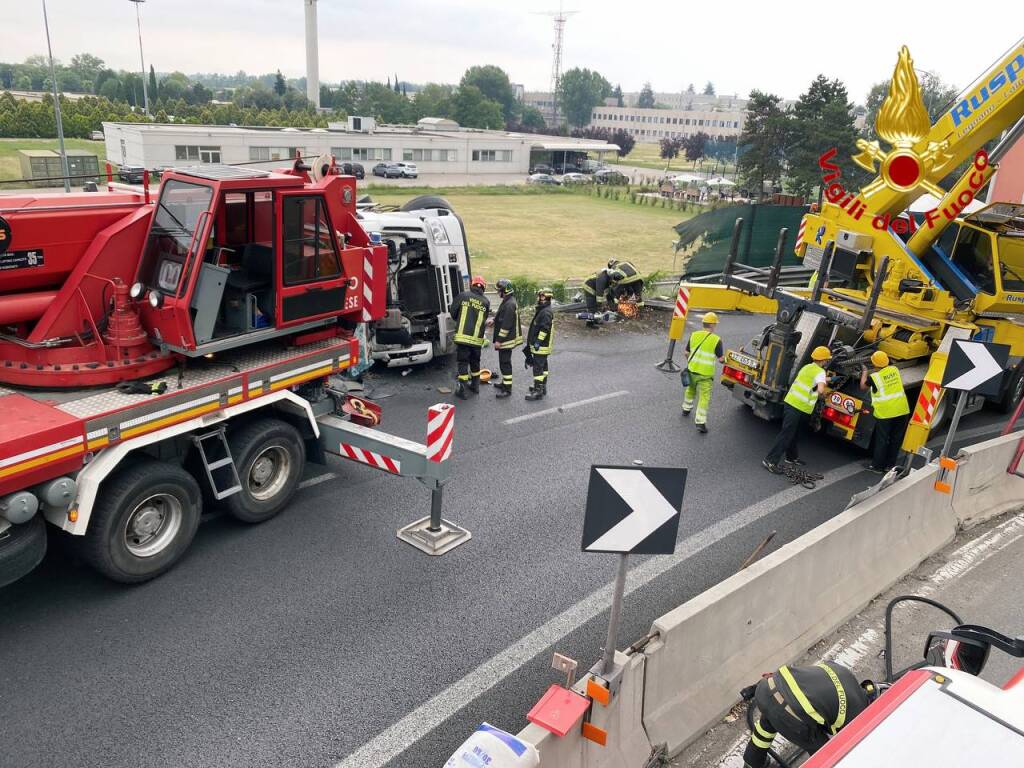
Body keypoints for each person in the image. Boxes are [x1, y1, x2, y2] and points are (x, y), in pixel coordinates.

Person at [742, 662, 875, 767]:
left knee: (766, 727)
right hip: (786, 711)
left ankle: (752, 762)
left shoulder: (844, 672)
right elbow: (849, 749)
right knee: (826, 756)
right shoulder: (859, 715)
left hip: (766, 687)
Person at [763, 346, 832, 472]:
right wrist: (822, 391)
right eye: (827, 360)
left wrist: (828, 379)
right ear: (824, 360)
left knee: (795, 433)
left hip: (793, 403)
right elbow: (821, 388)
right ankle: (770, 461)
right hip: (799, 406)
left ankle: (791, 457)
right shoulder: (820, 372)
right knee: (787, 434)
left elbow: (812, 379)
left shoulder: (807, 367)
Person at [860, 350, 910, 472]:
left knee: (882, 439)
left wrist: (865, 372)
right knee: (895, 439)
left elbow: (863, 387)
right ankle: (890, 466)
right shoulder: (894, 370)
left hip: (886, 413)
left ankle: (877, 466)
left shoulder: (874, 377)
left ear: (874, 364)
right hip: (902, 410)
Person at [681, 312, 724, 434]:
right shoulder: (716, 340)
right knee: (704, 397)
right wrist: (726, 360)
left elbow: (686, 352)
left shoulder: (694, 335)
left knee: (690, 390)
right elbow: (721, 359)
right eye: (715, 324)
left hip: (692, 370)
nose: (715, 326)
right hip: (705, 375)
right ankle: (700, 422)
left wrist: (691, 362)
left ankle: (686, 409)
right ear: (712, 325)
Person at [449, 276, 490, 400]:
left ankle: (461, 390)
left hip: (463, 338)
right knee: (475, 362)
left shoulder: (463, 296)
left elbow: (453, 312)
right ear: (483, 287)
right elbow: (484, 318)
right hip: (477, 340)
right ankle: (475, 386)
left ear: (472, 285)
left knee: (463, 362)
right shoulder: (486, 302)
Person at [491, 278, 522, 399]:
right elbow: (501, 316)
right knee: (503, 362)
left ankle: (507, 389)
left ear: (505, 291)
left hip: (506, 340)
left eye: (499, 291)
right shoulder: (507, 300)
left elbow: (506, 325)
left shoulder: (509, 304)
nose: (498, 293)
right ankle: (504, 383)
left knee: (505, 363)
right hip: (506, 339)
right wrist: (494, 320)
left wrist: (499, 340)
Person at [524, 288, 554, 402]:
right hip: (542, 346)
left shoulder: (546, 312)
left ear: (547, 297)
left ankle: (538, 391)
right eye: (539, 296)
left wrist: (538, 342)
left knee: (538, 368)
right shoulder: (544, 310)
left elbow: (544, 329)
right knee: (543, 367)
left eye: (541, 296)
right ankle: (542, 386)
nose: (539, 298)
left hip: (541, 346)